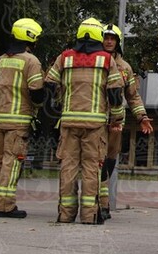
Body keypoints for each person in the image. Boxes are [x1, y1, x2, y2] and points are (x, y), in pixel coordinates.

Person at [46, 18, 123, 225]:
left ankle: (65, 214)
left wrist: (59, 103)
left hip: (69, 122)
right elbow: (115, 93)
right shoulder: (106, 60)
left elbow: (49, 85)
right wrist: (117, 118)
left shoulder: (65, 57)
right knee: (92, 168)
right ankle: (89, 215)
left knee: (68, 168)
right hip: (95, 124)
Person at [0, 18, 46, 218]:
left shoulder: (1, 60)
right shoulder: (31, 61)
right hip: (18, 120)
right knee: (12, 161)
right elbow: (37, 94)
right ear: (31, 37)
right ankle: (5, 206)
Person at [99, 23, 154, 220]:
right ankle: (100, 205)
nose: (109, 41)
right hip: (94, 120)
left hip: (115, 122)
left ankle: (101, 203)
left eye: (112, 38)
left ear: (118, 42)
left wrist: (142, 117)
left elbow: (133, 96)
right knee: (96, 162)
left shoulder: (125, 68)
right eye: (106, 37)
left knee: (109, 160)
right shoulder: (94, 62)